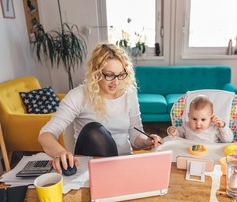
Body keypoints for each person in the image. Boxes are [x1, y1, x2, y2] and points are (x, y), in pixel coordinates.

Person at [39, 43, 163, 174]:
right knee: (95, 130)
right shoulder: (78, 95)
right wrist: (60, 152)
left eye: (121, 75)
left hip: (123, 164)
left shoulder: (129, 94)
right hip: (91, 167)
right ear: (96, 73)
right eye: (110, 75)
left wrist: (147, 141)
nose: (116, 82)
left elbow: (136, 136)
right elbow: (45, 134)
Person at [167, 95, 233, 143]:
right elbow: (177, 135)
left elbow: (228, 140)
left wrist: (222, 127)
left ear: (211, 118)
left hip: (210, 154)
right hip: (190, 153)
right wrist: (173, 131)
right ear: (189, 116)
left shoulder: (214, 127)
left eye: (203, 120)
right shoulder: (186, 126)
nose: (198, 123)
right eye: (194, 119)